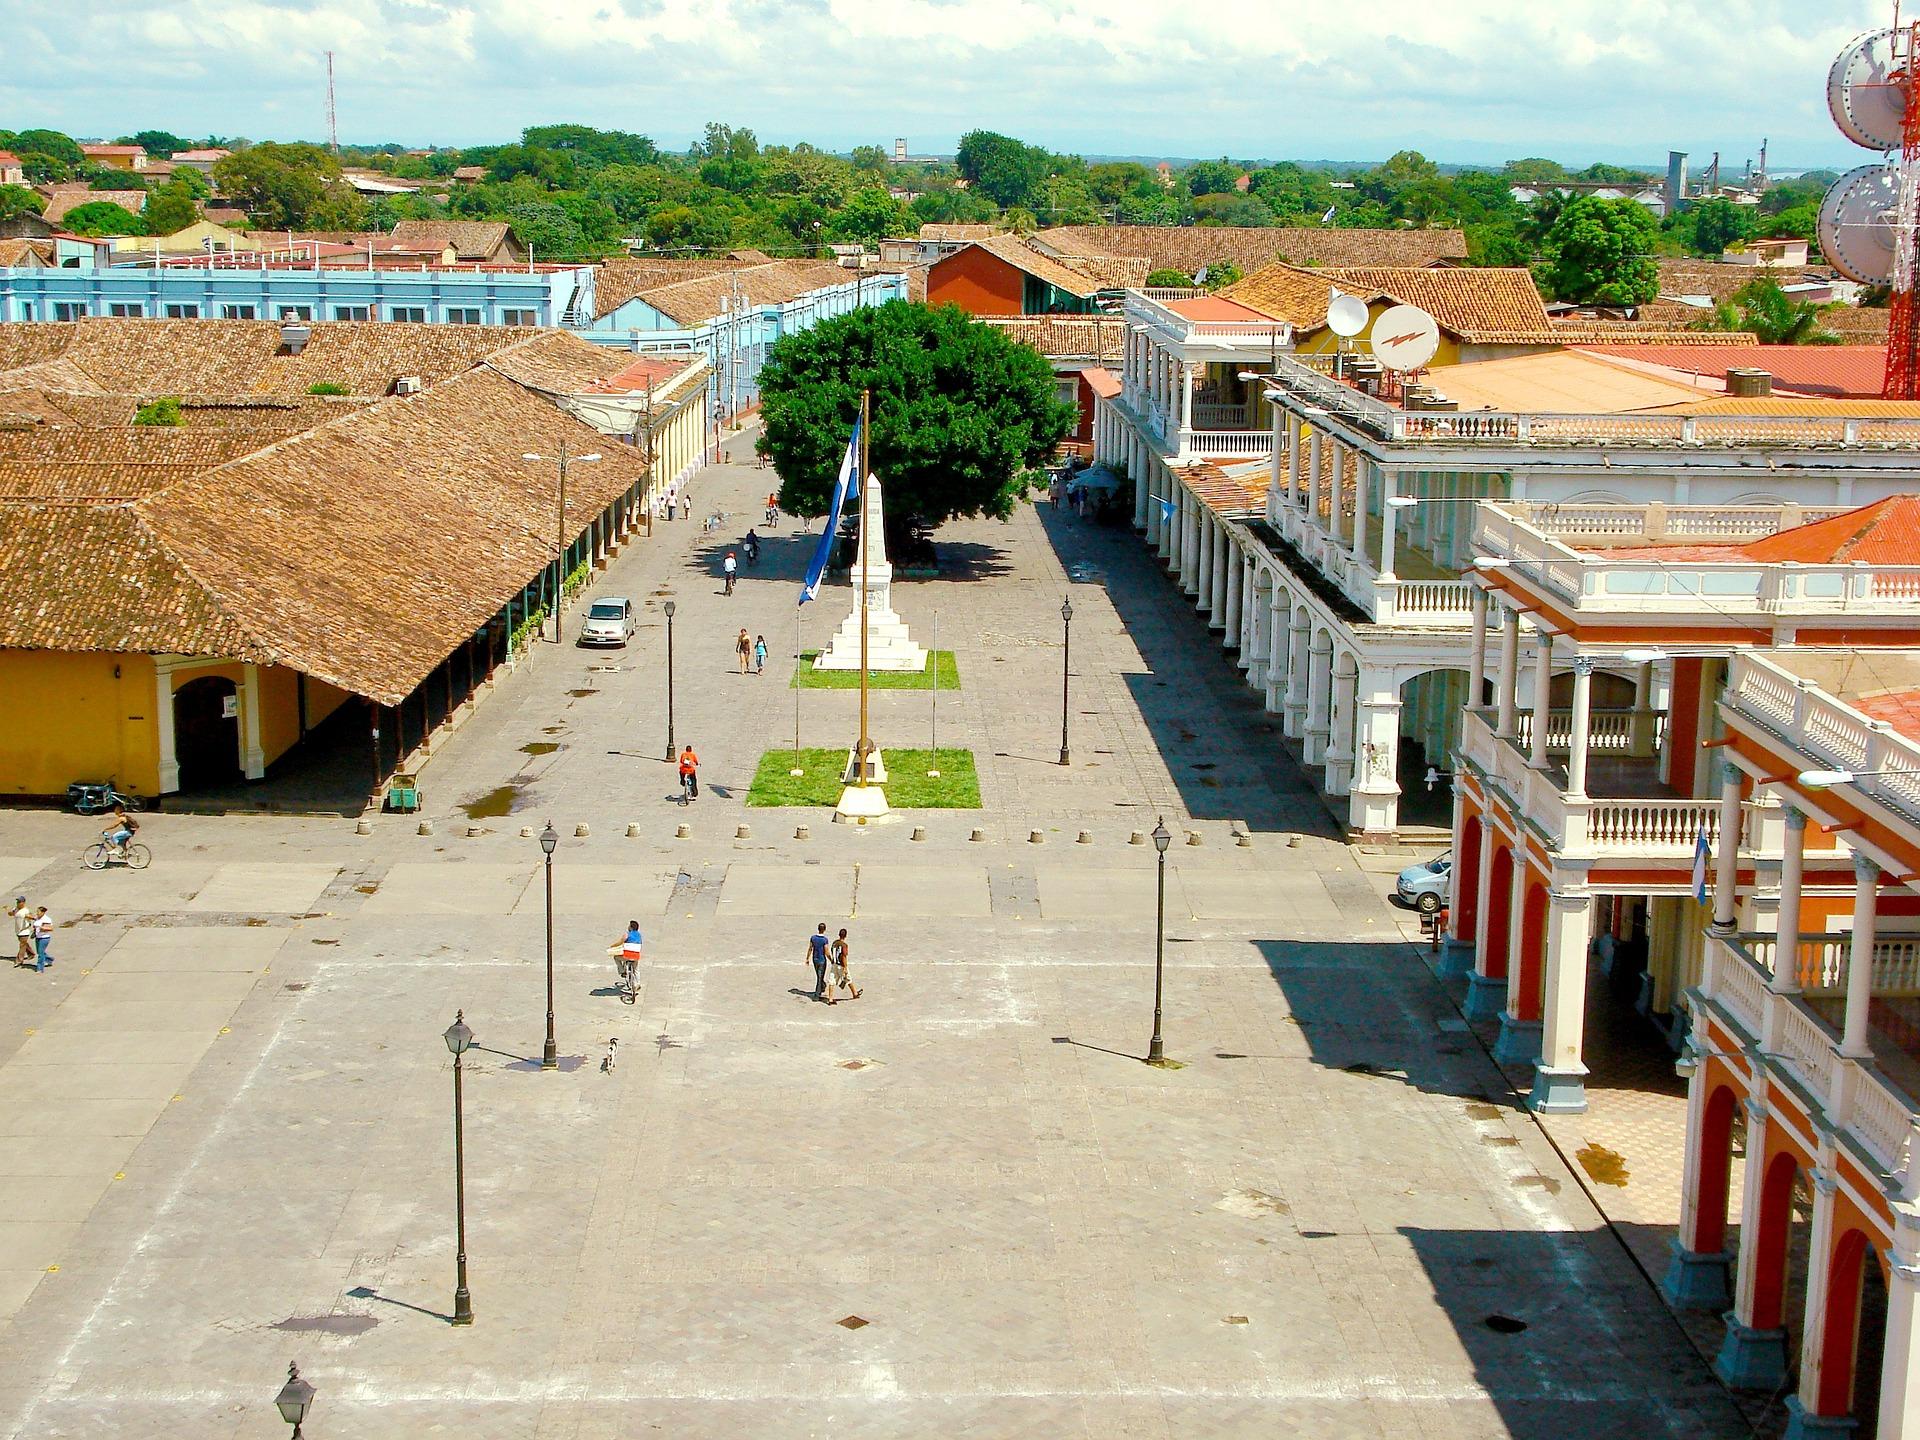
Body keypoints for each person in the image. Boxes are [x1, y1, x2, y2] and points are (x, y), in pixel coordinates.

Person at [609, 920, 643, 992]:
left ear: (631, 927)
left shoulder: (627, 934)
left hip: (627, 955)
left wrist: (612, 946)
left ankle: (622, 971)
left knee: (616, 957)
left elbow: (620, 942)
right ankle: (638, 984)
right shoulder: (639, 935)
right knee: (636, 970)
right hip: (636, 956)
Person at [828, 928, 860, 1003]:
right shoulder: (844, 945)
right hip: (841, 965)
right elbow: (844, 957)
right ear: (845, 936)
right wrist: (845, 967)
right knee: (848, 979)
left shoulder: (834, 943)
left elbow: (832, 952)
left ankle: (830, 998)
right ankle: (854, 993)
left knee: (832, 980)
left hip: (834, 964)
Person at [806, 922, 831, 1001]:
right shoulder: (824, 940)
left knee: (819, 975)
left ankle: (822, 987)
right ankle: (817, 994)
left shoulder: (813, 938)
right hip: (822, 960)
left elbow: (810, 948)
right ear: (824, 929)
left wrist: (807, 958)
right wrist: (831, 959)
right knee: (820, 977)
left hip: (815, 959)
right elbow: (826, 952)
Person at [11, 897, 31, 968]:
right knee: (24, 943)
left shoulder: (26, 910)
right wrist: (11, 912)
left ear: (23, 903)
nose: (18, 903)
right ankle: (31, 953)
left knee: (22, 945)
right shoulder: (15, 909)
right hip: (18, 930)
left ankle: (19, 960)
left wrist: (30, 917)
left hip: (24, 930)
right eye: (17, 902)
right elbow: (11, 914)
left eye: (19, 902)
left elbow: (30, 916)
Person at [31, 906, 52, 973]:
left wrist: (42, 928)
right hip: (38, 937)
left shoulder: (47, 919)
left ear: (43, 912)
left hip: (44, 938)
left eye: (38, 912)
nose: (37, 913)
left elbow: (50, 928)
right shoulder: (37, 918)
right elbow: (34, 923)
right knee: (39, 952)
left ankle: (40, 968)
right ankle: (49, 960)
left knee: (40, 953)